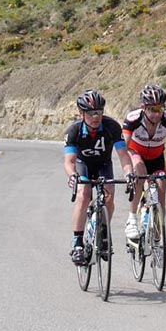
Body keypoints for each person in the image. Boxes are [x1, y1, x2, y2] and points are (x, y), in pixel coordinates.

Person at [64, 89, 134, 265]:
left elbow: (123, 155)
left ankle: (103, 232)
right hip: (83, 165)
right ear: (82, 114)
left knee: (109, 195)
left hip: (103, 165)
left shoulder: (112, 127)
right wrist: (73, 175)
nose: (95, 117)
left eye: (99, 112)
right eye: (90, 113)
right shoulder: (74, 131)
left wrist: (129, 174)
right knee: (84, 195)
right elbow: (69, 162)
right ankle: (78, 243)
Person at [121, 84, 166, 240]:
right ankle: (131, 219)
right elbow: (123, 148)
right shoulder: (133, 118)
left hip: (157, 157)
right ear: (143, 107)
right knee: (140, 173)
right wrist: (128, 171)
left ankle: (156, 235)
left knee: (160, 195)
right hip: (135, 152)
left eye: (159, 109)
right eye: (152, 109)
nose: (156, 114)